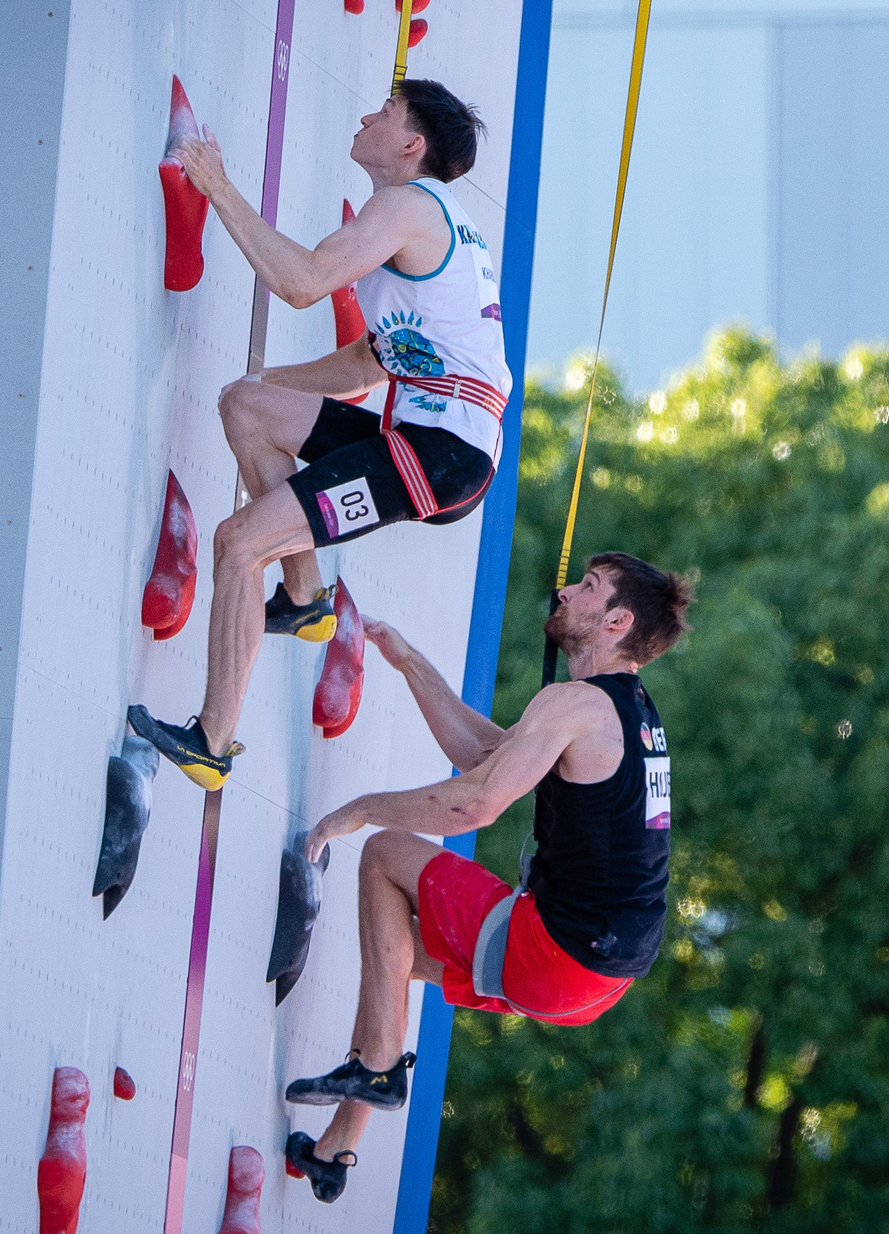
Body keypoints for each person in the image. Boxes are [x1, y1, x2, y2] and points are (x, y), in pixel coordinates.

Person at [127, 79, 511, 788]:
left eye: (386, 112)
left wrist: (216, 185)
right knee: (246, 406)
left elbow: (302, 282)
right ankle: (304, 595)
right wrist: (274, 382)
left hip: (437, 455)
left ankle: (212, 743)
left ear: (411, 144)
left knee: (238, 543)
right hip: (432, 440)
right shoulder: (429, 219)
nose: (369, 115)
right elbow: (371, 358)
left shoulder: (408, 206)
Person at [278, 553, 692, 1203]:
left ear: (616, 620)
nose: (564, 589)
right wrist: (411, 661)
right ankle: (335, 1147)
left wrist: (360, 811)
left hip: (557, 949)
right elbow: (485, 757)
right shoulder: (633, 712)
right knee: (400, 955)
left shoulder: (577, 702)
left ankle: (379, 1066)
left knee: (386, 853)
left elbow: (476, 802)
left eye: (586, 587)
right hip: (599, 982)